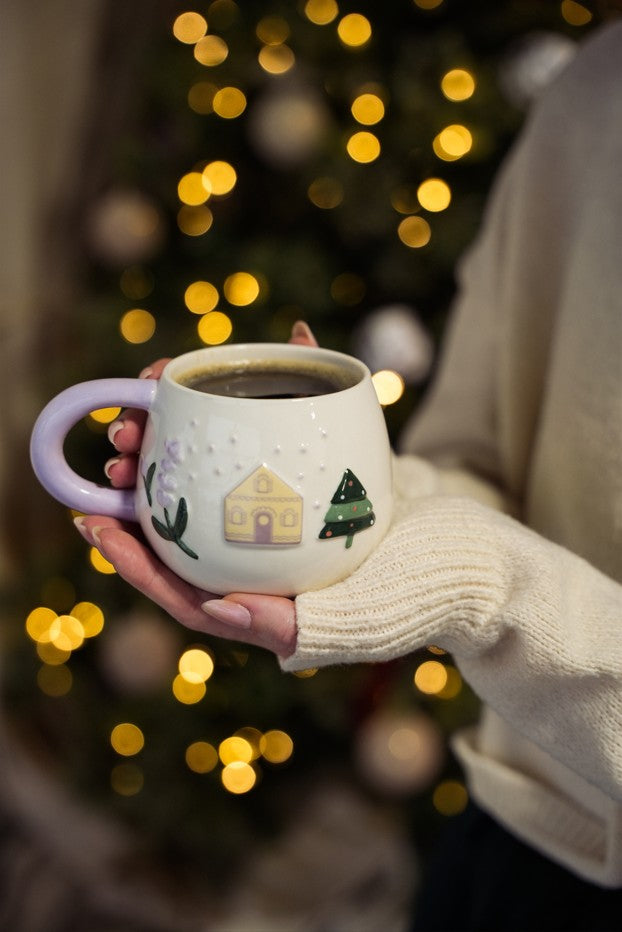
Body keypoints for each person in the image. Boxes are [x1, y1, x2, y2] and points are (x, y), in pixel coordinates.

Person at [74, 20, 622, 931]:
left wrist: (485, 589)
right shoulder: (596, 98)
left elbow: (488, 571)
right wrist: (354, 495)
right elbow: (472, 463)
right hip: (522, 827)